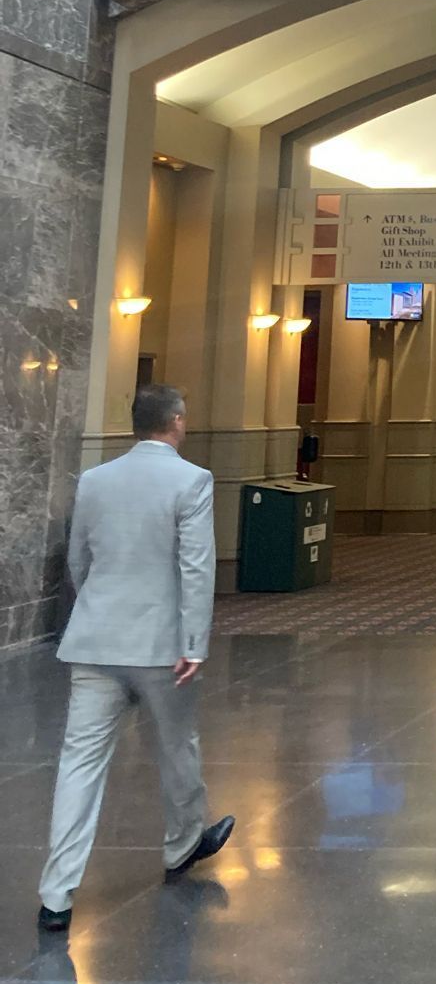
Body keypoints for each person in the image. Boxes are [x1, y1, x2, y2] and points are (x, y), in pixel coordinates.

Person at [37, 384, 235, 932]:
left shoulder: (96, 481)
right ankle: (181, 844)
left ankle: (56, 894)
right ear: (175, 420)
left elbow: (78, 557)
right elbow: (196, 567)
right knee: (176, 746)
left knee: (79, 765)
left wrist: (100, 610)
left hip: (96, 642)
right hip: (161, 648)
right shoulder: (192, 480)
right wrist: (193, 641)